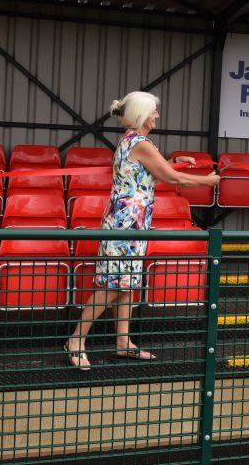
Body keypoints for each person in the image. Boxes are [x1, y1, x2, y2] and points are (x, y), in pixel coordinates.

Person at [64, 91, 220, 370]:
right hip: (126, 223)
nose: (157, 115)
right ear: (142, 115)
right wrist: (207, 180)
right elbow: (170, 177)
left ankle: (123, 343)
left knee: (127, 285)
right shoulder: (141, 143)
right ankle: (76, 340)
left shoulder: (134, 141)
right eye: (154, 111)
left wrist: (177, 159)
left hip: (132, 222)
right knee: (112, 286)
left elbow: (152, 171)